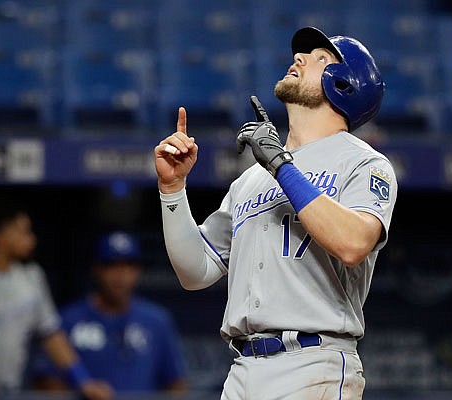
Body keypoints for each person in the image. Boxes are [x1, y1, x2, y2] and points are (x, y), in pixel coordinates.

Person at [154, 26, 397, 400]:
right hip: (241, 370)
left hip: (314, 363)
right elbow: (195, 271)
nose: (298, 58)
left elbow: (354, 243)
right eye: (302, 53)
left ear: (345, 84)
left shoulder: (363, 162)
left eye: (320, 58)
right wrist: (173, 190)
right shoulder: (252, 179)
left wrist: (281, 165)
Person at [0, 206, 113, 400]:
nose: (31, 239)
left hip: (9, 390)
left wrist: (83, 381)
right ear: (0, 236)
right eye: (23, 232)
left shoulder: (31, 277)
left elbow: (51, 334)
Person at [30, 231, 187, 394]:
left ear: (138, 270)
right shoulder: (67, 320)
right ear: (96, 270)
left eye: (128, 266)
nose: (120, 275)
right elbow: (46, 382)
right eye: (111, 265)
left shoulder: (157, 321)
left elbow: (176, 383)